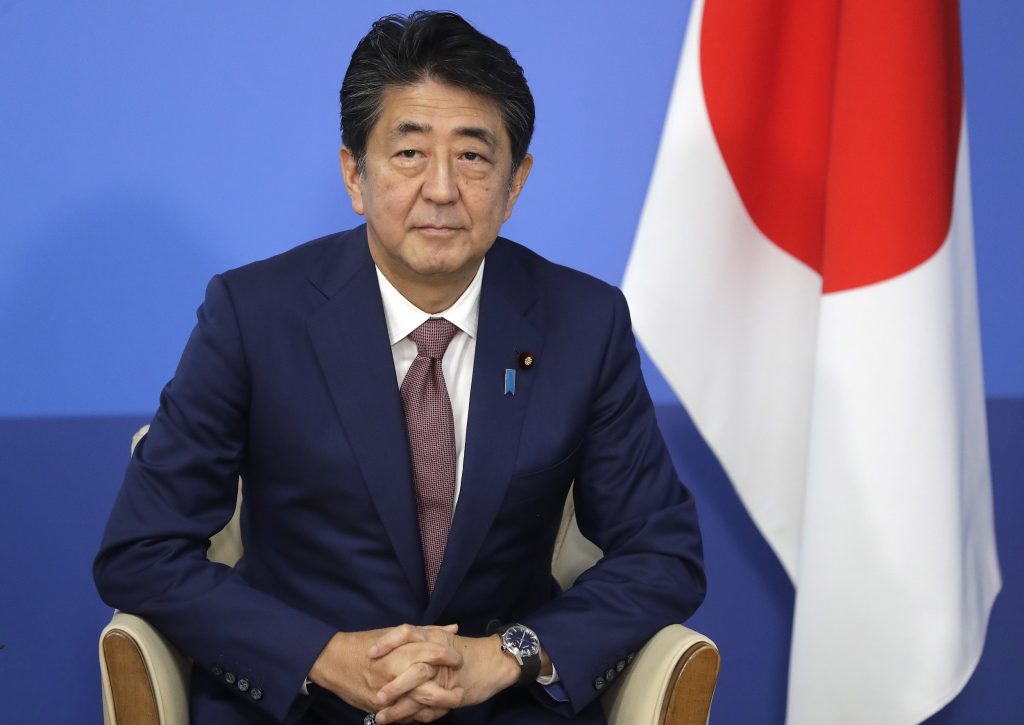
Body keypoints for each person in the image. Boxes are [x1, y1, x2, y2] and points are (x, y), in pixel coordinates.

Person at [94, 10, 705, 725]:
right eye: (409, 153)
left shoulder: (584, 322)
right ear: (355, 174)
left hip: (499, 707)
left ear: (516, 183)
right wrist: (321, 653)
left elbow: (664, 552)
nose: (442, 189)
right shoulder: (253, 315)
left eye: (474, 156)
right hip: (301, 706)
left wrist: (505, 653)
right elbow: (140, 550)